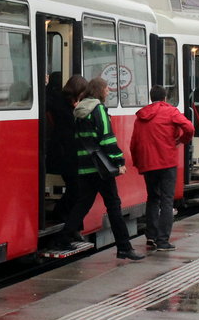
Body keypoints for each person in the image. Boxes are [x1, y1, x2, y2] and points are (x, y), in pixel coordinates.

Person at [57, 76, 144, 260]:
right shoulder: (98, 110)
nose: (108, 91)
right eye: (106, 89)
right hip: (101, 169)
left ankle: (64, 237)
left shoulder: (79, 110)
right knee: (114, 205)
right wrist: (119, 162)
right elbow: (107, 139)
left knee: (83, 203)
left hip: (85, 167)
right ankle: (124, 247)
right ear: (99, 91)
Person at [130, 84, 194, 251]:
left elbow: (134, 143)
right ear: (165, 98)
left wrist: (138, 162)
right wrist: (182, 140)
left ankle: (150, 237)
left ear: (151, 98)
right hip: (167, 162)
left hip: (148, 163)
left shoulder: (141, 116)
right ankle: (163, 240)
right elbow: (189, 127)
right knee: (167, 200)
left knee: (152, 198)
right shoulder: (170, 111)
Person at [45, 73, 86, 226]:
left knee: (74, 187)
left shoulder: (69, 102)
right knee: (75, 187)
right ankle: (61, 214)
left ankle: (64, 215)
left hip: (69, 151)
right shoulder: (61, 103)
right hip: (64, 151)